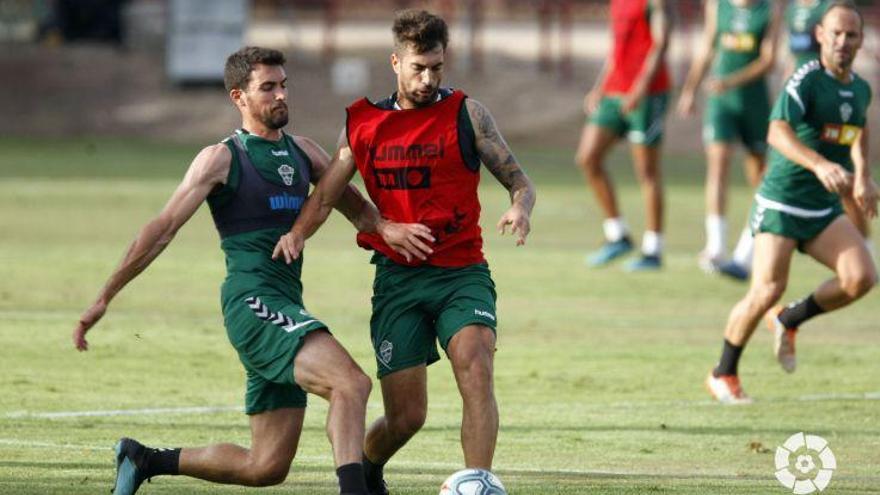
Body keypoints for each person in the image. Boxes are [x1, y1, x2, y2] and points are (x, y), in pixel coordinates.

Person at [70, 46, 408, 495]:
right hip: (251, 303)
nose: (280, 95)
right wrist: (104, 296)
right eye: (267, 87)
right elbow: (162, 229)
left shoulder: (305, 152)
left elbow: (361, 213)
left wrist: (396, 231)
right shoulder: (221, 158)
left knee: (265, 466)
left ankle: (144, 459)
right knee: (351, 383)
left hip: (285, 306)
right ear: (239, 97)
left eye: (283, 84)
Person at [271, 10, 536, 494]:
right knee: (407, 417)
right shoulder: (364, 123)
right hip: (398, 281)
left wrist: (520, 209)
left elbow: (519, 180)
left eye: (437, 66)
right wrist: (297, 233)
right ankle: (370, 467)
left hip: (462, 272)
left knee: (475, 363)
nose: (429, 78)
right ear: (396, 62)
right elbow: (328, 193)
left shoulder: (467, 114)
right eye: (419, 67)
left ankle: (476, 484)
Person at [705, 2, 876, 404]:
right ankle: (722, 373)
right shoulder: (805, 79)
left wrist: (864, 175)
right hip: (782, 201)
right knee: (766, 288)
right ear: (819, 35)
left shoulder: (860, 88)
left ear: (861, 41)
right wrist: (819, 164)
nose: (842, 42)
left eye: (851, 35)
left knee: (861, 277)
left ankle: (788, 319)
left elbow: (859, 127)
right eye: (835, 33)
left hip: (821, 208)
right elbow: (777, 132)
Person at [678, 0, 783, 280]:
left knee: (760, 178)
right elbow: (706, 47)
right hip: (720, 102)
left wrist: (731, 81)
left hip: (754, 103)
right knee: (718, 164)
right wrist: (690, 90)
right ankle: (715, 246)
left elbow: (768, 59)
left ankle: (747, 251)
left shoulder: (769, 10)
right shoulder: (718, 5)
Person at [575, 0, 672, 271]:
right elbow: (617, 49)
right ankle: (618, 235)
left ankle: (653, 251)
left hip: (648, 94)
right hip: (614, 91)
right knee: (587, 158)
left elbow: (660, 43)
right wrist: (599, 87)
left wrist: (640, 87)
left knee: (646, 171)